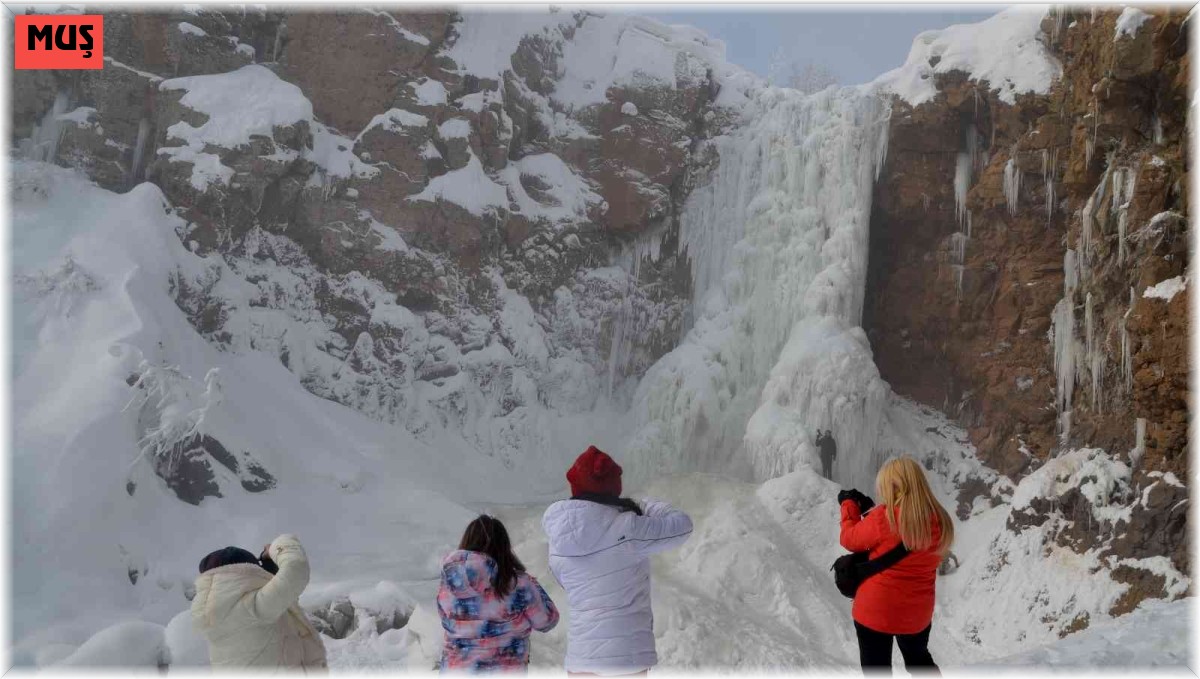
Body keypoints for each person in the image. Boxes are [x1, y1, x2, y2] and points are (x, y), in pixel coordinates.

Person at [542, 445, 693, 676]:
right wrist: (644, 505)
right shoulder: (628, 528)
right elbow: (682, 526)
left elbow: (569, 583)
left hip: (580, 660)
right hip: (627, 658)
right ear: (614, 487)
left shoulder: (557, 541)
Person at [838, 457, 954, 675]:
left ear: (894, 486)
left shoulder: (885, 517)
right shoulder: (941, 520)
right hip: (917, 613)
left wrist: (848, 505)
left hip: (875, 611)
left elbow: (849, 538)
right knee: (919, 661)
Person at [437, 515, 559, 673]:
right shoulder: (519, 584)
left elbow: (446, 622)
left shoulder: (448, 586)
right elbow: (547, 621)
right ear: (504, 547)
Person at [191, 534, 327, 671]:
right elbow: (295, 569)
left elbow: (283, 607)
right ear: (248, 571)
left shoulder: (211, 612)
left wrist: (269, 574)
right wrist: (277, 547)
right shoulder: (254, 607)